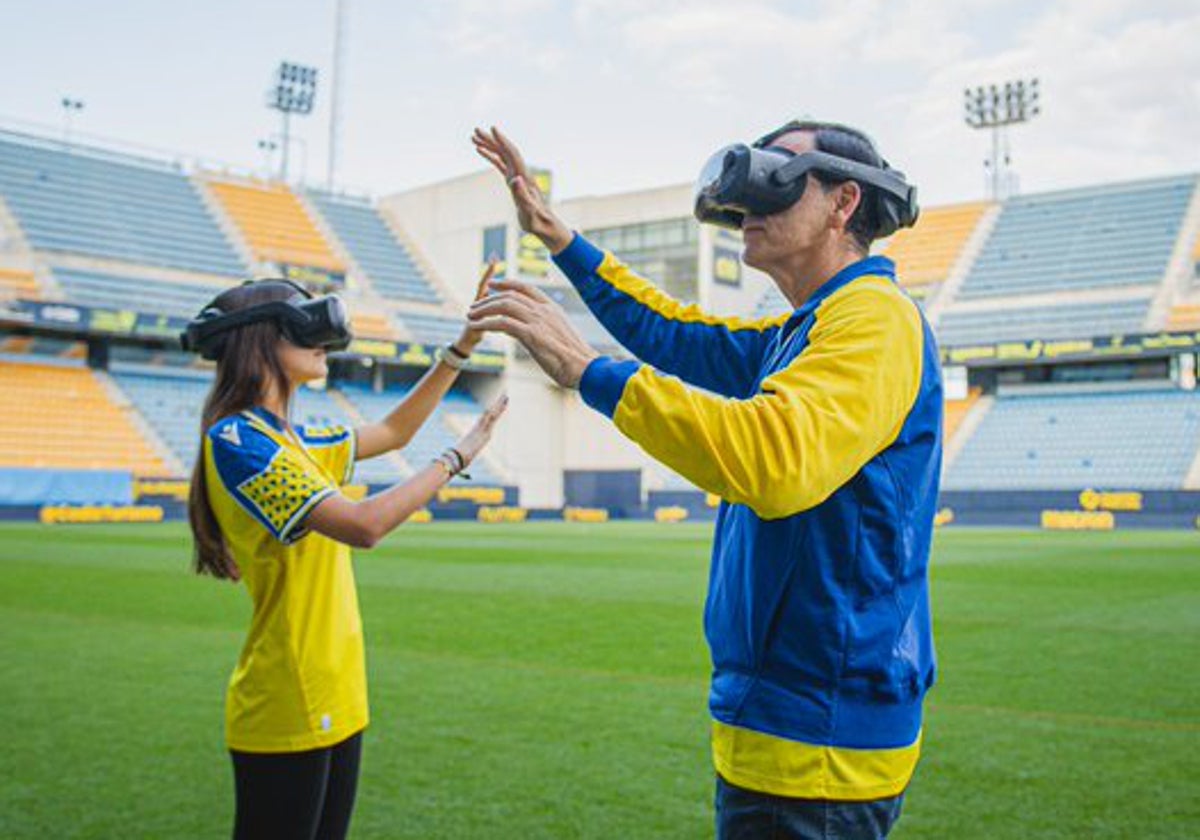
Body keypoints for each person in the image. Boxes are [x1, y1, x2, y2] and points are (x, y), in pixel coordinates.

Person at [468, 123, 940, 840]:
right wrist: (561, 240)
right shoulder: (802, 329)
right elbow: (677, 332)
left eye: (775, 180)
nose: (746, 204)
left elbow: (773, 461)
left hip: (817, 737)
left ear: (845, 202)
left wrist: (587, 369)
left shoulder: (872, 319)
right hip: (786, 722)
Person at [183, 278, 506, 840]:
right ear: (261, 339)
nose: (322, 343)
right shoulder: (238, 440)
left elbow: (393, 431)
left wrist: (464, 345)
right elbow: (365, 526)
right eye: (302, 328)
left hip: (340, 687)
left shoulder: (295, 439)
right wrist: (457, 457)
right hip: (288, 697)